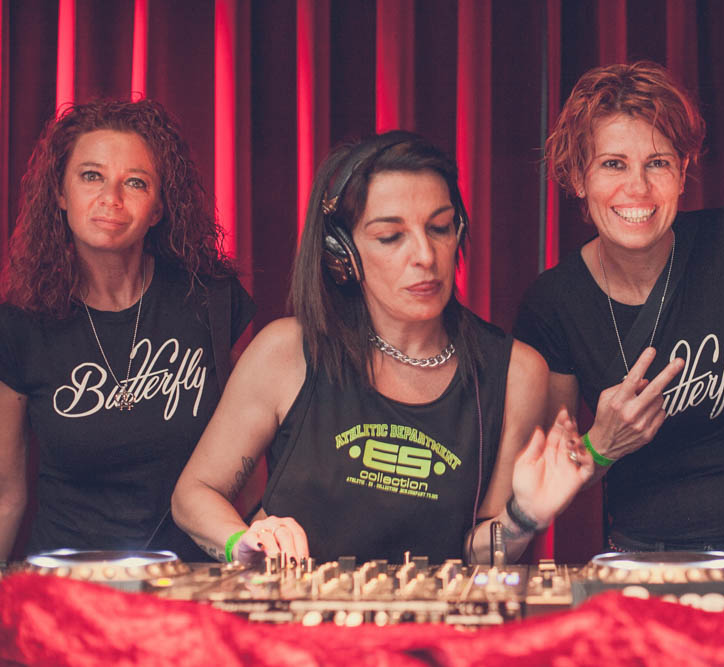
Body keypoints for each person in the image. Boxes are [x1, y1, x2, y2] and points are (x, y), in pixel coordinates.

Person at [172, 131, 592, 565]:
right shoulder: (287, 351)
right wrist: (241, 543)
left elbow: (478, 554)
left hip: (433, 610)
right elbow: (193, 494)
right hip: (295, 608)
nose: (425, 255)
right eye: (391, 236)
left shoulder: (515, 372)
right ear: (342, 254)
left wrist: (524, 517)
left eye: (440, 228)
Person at [514, 62, 724, 558]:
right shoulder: (552, 303)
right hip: (643, 559)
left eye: (657, 163)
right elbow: (547, 482)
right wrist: (602, 443)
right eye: (613, 164)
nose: (637, 188)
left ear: (682, 172)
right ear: (577, 178)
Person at [0, 99, 255, 561]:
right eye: (91, 176)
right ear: (60, 194)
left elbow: (253, 452)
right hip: (68, 582)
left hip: (190, 579)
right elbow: (5, 496)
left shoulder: (209, 301)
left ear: (158, 207)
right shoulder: (20, 324)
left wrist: (246, 550)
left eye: (135, 182)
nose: (111, 198)